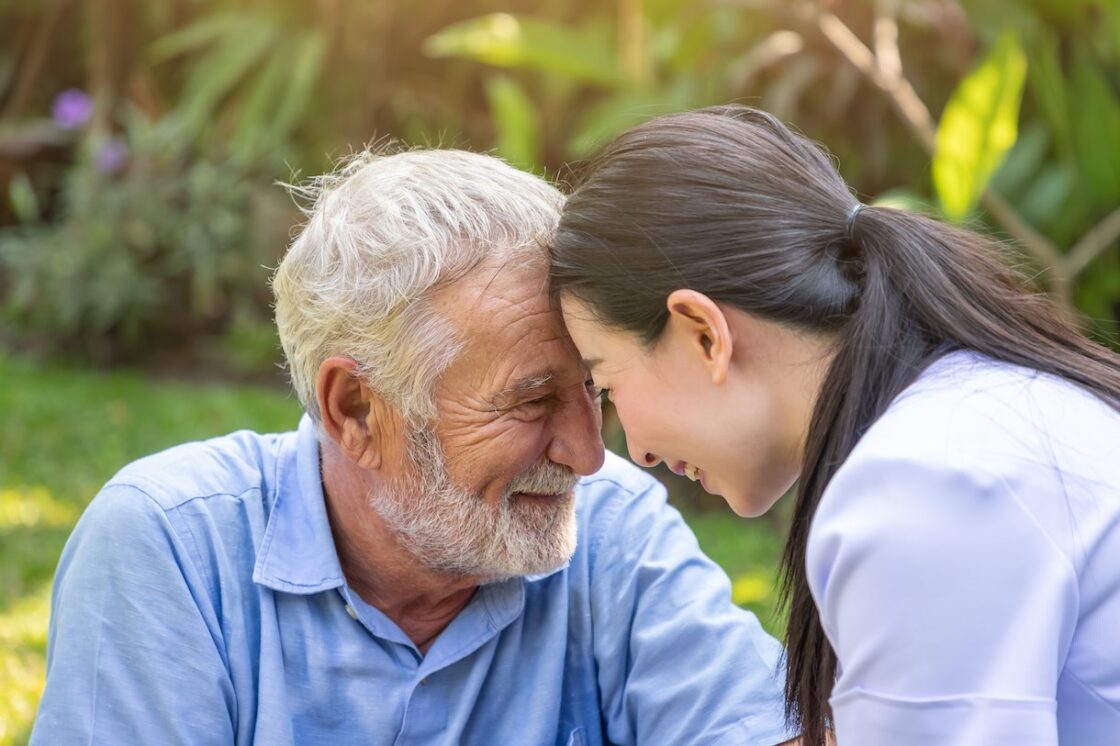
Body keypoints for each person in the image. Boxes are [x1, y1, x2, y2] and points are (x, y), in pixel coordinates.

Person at [31, 147, 799, 746]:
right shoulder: (170, 547)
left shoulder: (613, 529)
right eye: (531, 400)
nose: (588, 455)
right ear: (356, 408)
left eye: (592, 391)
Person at [549, 104, 1120, 746]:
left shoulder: (921, 486)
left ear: (704, 334)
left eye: (605, 385)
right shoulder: (983, 403)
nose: (633, 451)